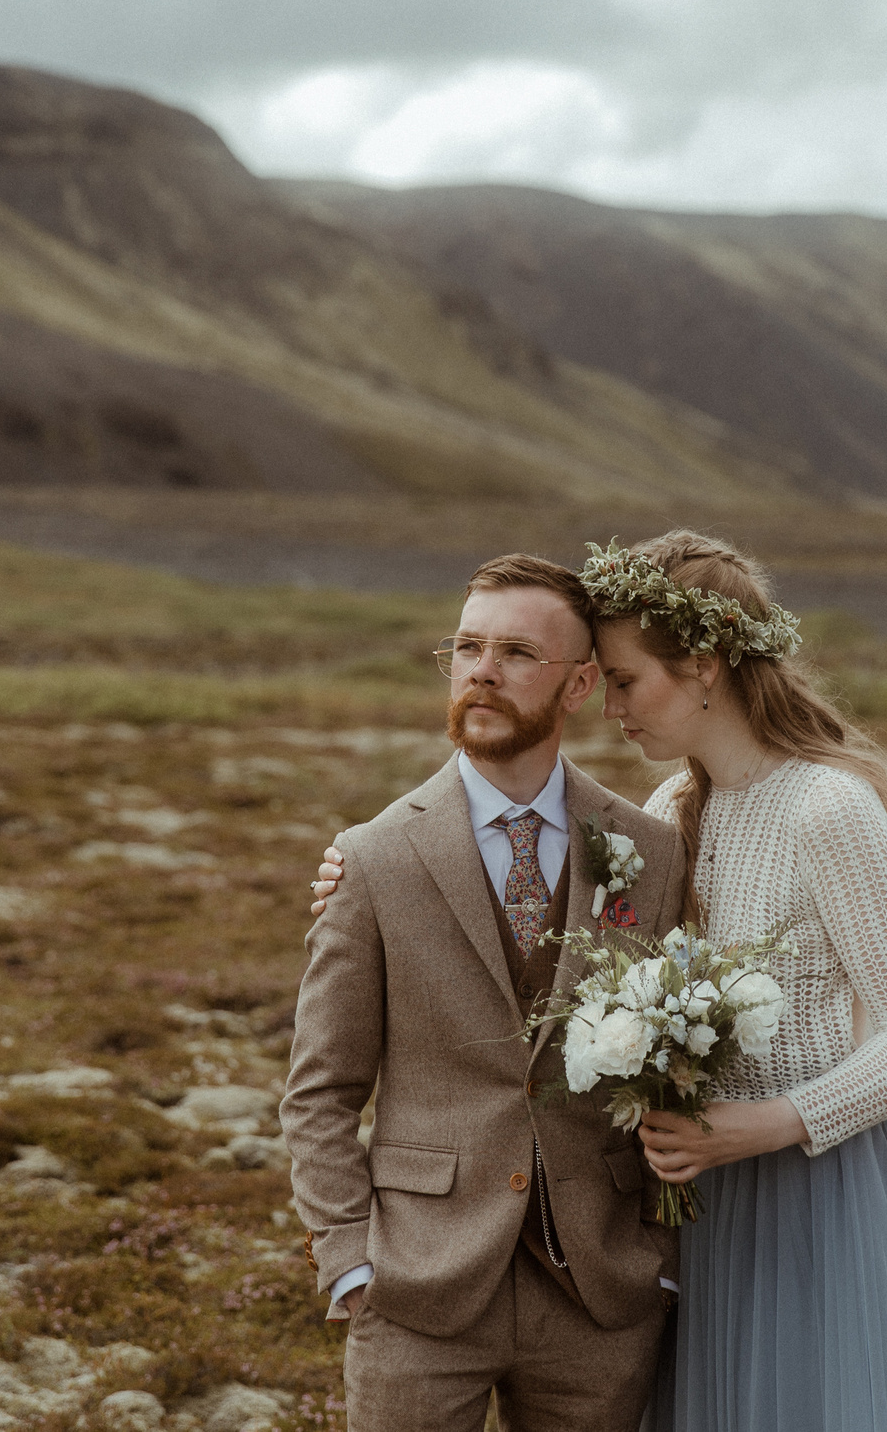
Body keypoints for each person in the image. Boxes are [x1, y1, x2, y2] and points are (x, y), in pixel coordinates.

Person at [314, 532, 887, 1432]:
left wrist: (749, 1129)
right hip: (701, 1199)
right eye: (602, 681)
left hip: (819, 1190)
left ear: (705, 667)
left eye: (625, 680)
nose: (609, 708)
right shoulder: (669, 818)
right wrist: (354, 871)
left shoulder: (830, 808)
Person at [279, 553, 690, 1432]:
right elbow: (319, 1091)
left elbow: (677, 1075)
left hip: (600, 1296)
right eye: (466, 647)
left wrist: (659, 1254)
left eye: (514, 653)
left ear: (580, 682)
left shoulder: (649, 851)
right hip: (417, 1291)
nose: (482, 672)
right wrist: (350, 1260)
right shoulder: (374, 857)